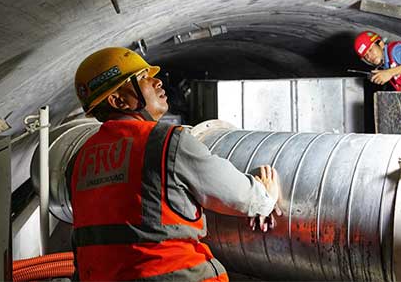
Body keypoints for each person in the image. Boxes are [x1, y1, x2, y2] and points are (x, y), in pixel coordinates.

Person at [68, 47, 281, 281]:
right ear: (118, 101)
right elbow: (238, 195)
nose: (157, 81)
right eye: (142, 78)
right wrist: (265, 197)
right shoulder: (165, 142)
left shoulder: (79, 161)